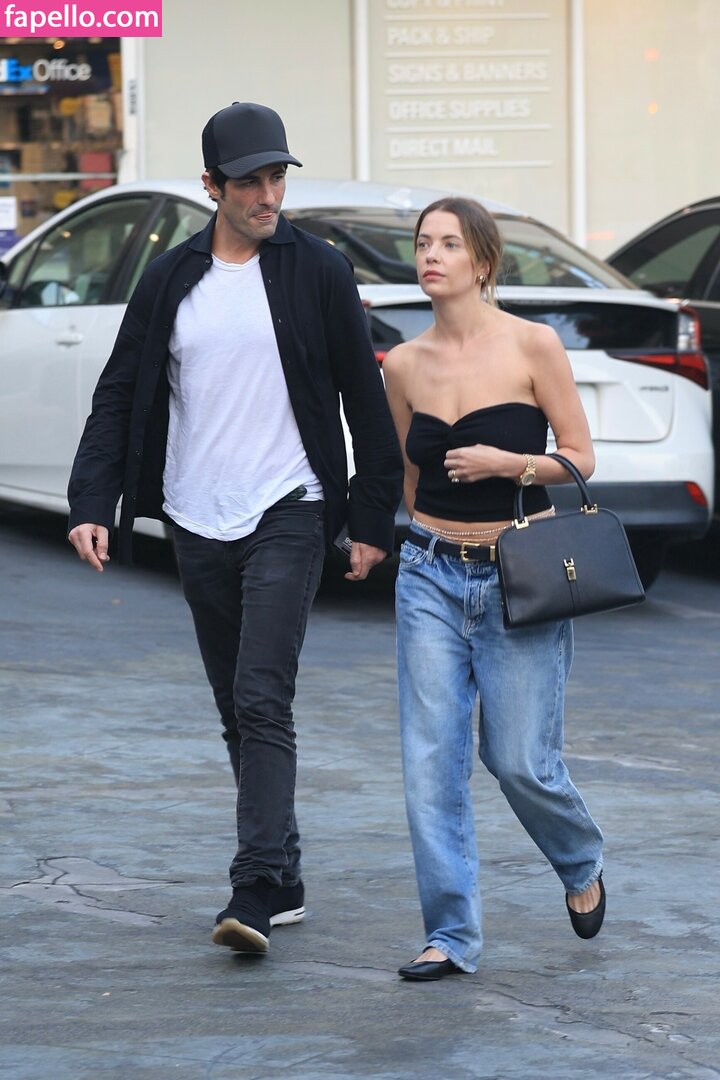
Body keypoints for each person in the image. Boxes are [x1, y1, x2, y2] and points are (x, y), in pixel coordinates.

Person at [67, 102, 403, 956]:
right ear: (211, 186)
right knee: (234, 706)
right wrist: (91, 501)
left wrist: (371, 516)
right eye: (249, 181)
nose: (267, 195)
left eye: (277, 177)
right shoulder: (170, 279)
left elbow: (363, 397)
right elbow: (119, 391)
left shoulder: (318, 271)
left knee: (261, 695)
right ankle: (284, 874)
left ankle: (252, 886)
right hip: (196, 513)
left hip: (289, 505)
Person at [382, 197, 605, 983]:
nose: (431, 255)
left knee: (518, 760)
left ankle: (579, 859)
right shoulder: (403, 365)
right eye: (423, 242)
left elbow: (580, 457)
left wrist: (508, 466)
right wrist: (407, 540)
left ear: (483, 262)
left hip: (520, 573)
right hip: (430, 573)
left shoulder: (532, 345)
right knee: (430, 763)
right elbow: (410, 478)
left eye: (449, 243)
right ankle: (450, 935)